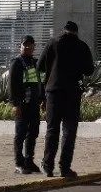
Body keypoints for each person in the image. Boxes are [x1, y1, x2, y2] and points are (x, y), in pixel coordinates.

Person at [38, 20, 95, 179]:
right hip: (72, 93)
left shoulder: (52, 43)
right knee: (69, 131)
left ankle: (48, 166)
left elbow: (39, 67)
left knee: (52, 130)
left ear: (64, 30)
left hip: (53, 92)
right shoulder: (82, 46)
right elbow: (89, 70)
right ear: (76, 32)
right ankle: (65, 168)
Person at [8, 36, 44, 174]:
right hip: (22, 105)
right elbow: (12, 85)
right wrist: (15, 104)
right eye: (25, 45)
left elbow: (39, 83)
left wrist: (43, 100)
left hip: (34, 105)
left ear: (34, 46)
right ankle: (18, 163)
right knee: (20, 135)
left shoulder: (35, 63)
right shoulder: (16, 63)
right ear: (20, 46)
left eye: (30, 45)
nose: (28, 47)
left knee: (33, 134)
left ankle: (29, 161)